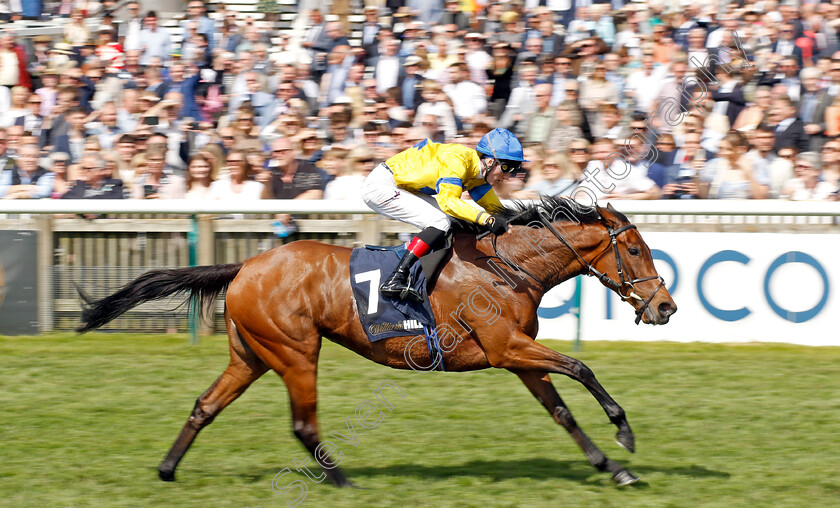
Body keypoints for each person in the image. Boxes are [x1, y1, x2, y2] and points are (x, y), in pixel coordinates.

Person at [361, 127, 527, 302]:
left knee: (456, 221)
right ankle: (396, 278)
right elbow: (448, 202)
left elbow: (496, 209)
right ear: (491, 161)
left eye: (515, 169)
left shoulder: (479, 174)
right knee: (440, 221)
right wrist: (487, 219)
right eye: (507, 167)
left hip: (401, 187)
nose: (509, 175)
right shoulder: (458, 161)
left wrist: (524, 219)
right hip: (382, 186)